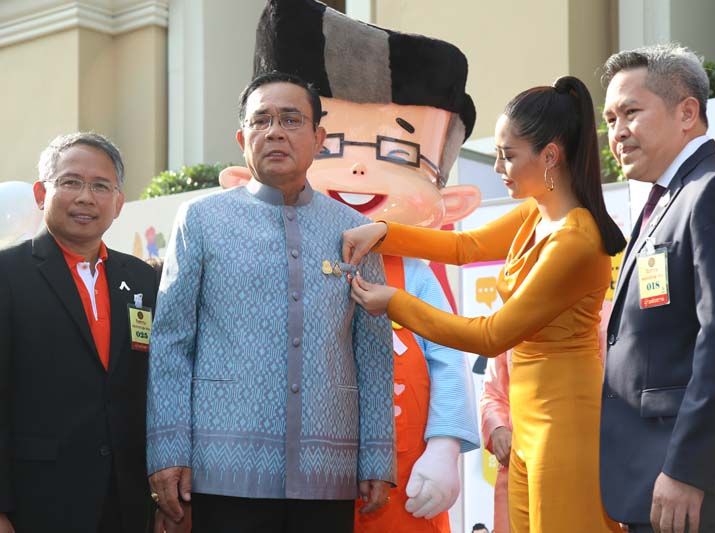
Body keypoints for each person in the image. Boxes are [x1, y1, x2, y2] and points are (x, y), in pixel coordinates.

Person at [223, 3, 482, 530]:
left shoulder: (412, 271)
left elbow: (447, 358)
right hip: (300, 473)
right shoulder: (253, 249)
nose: (361, 170)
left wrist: (444, 446)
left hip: (404, 470)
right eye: (336, 147)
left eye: (395, 152)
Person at [344, 75, 627, 533]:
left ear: (550, 156)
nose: (498, 166)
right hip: (528, 424)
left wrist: (395, 303)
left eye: (508, 155)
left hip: (567, 424)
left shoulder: (575, 239)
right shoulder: (537, 212)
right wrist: (384, 233)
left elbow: (491, 335)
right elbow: (466, 246)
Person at [146, 71, 395, 533]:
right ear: (243, 138)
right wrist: (168, 450)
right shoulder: (200, 220)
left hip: (327, 467)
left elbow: (373, 351)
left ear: (319, 139)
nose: (275, 131)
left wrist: (377, 453)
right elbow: (171, 344)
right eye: (261, 120)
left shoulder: (356, 231)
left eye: (291, 119)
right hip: (223, 467)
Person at [599, 43, 715, 533]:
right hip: (654, 480)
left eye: (631, 113)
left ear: (687, 113)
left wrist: (688, 469)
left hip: (701, 490)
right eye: (610, 119)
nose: (617, 132)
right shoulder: (669, 197)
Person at [0, 132, 158, 532]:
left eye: (101, 186)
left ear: (118, 203)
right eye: (71, 182)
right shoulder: (7, 274)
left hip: (126, 503)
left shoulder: (143, 279)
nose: (86, 197)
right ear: (41, 193)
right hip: (37, 503)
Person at [480, 353, 512, 533]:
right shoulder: (509, 337)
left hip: (583, 463)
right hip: (517, 464)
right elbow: (492, 394)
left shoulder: (596, 332)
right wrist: (498, 428)